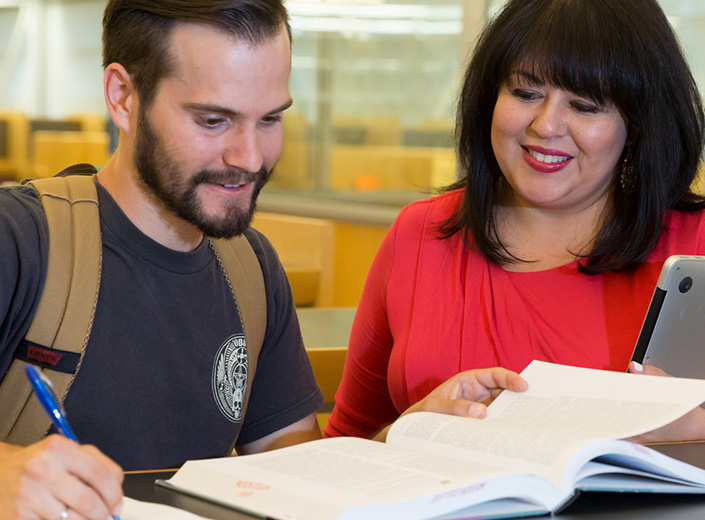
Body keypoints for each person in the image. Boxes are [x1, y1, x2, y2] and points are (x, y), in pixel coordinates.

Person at [0, 1, 329, 519]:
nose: (249, 156)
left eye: (270, 119)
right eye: (214, 120)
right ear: (124, 97)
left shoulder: (253, 269)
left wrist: (395, 448)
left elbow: (289, 460)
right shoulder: (19, 239)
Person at [325, 0, 705, 443]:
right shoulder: (420, 233)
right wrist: (411, 431)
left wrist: (693, 429)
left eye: (584, 106)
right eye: (525, 94)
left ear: (637, 125)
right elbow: (348, 442)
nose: (546, 126)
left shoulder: (694, 244)